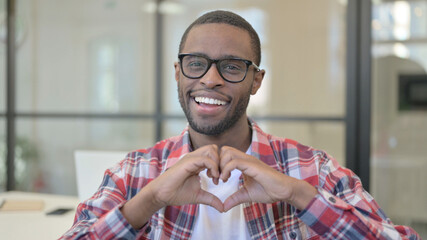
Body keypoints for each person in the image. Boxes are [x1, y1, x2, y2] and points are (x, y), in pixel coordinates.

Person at [61, 10, 420, 239]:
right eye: (196, 63)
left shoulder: (313, 170)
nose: (211, 79)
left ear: (256, 81)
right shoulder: (135, 173)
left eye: (231, 66)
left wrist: (299, 195)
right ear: (178, 73)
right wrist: (150, 200)